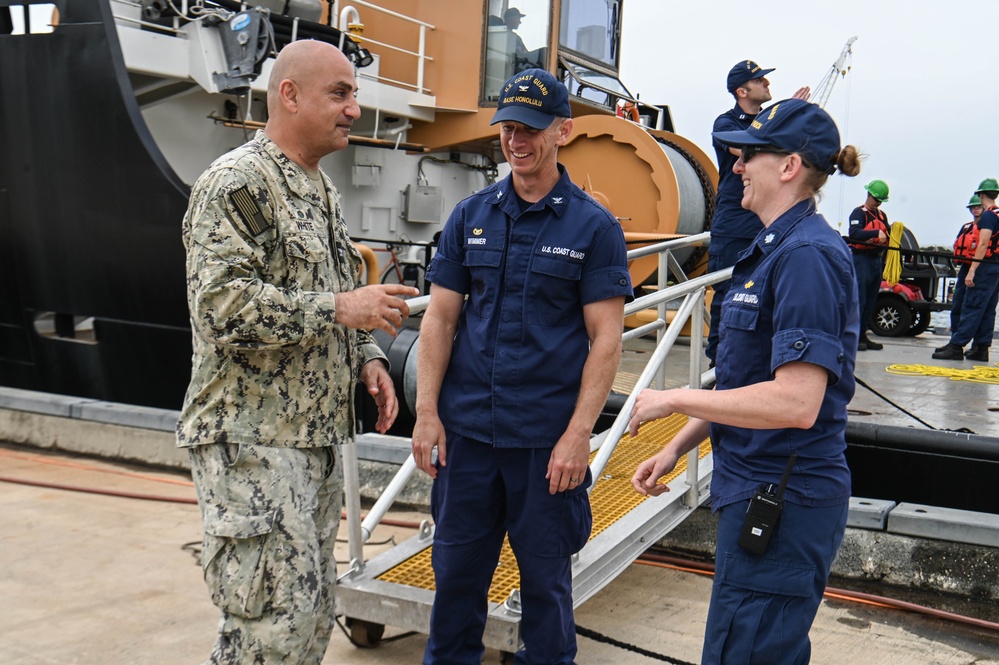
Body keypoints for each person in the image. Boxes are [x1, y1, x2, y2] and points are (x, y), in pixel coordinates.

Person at [177, 40, 418, 664]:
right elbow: (221, 308)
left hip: (311, 443)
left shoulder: (318, 191)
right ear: (289, 94)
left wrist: (366, 355)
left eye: (354, 95)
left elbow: (336, 294)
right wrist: (343, 310)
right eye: (340, 94)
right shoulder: (238, 184)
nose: (354, 109)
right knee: (269, 630)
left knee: (307, 622)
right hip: (251, 443)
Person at [412, 68, 632, 665]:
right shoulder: (470, 216)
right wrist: (427, 413)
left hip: (544, 445)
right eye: (508, 128)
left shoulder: (594, 227)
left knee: (545, 596)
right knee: (454, 585)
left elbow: (605, 339)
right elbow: (439, 320)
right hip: (468, 440)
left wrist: (577, 436)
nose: (517, 141)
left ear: (562, 131)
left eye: (531, 129)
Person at [630, 98, 860, 665]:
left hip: (785, 500)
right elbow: (747, 383)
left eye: (748, 156)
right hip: (758, 493)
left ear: (788, 167)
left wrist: (674, 398)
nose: (736, 168)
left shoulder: (806, 256)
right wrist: (679, 444)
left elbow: (798, 401)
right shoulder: (775, 251)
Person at [707, 60, 810, 363]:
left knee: (765, 297)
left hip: (770, 224)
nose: (766, 84)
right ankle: (718, 370)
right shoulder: (726, 124)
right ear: (742, 91)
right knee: (728, 296)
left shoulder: (770, 121)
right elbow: (754, 148)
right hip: (736, 225)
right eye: (759, 80)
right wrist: (785, 116)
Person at [933, 178, 999, 361]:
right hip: (996, 268)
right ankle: (981, 347)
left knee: (973, 305)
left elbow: (983, 243)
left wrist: (972, 270)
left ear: (981, 195)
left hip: (986, 267)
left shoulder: (988, 216)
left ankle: (956, 346)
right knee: (988, 309)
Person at [936, 194, 984, 351]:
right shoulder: (966, 227)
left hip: (981, 269)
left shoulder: (988, 228)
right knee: (958, 303)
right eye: (973, 207)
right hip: (964, 267)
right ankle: (955, 339)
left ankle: (978, 344)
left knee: (976, 305)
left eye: (978, 206)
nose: (976, 209)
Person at [847, 179, 891, 351]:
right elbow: (854, 233)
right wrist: (874, 232)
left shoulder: (882, 216)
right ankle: (853, 335)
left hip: (876, 260)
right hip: (861, 259)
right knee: (860, 298)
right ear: (869, 195)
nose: (878, 203)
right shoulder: (859, 213)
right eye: (877, 199)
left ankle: (863, 333)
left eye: (881, 200)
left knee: (871, 299)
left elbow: (887, 233)